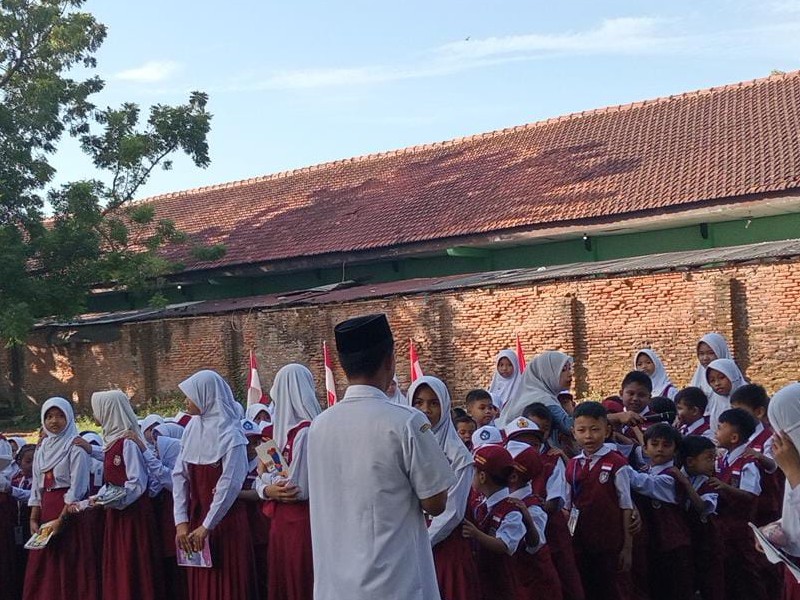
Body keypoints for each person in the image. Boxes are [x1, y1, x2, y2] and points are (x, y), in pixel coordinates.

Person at [307, 313, 454, 600]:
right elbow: (436, 503)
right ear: (390, 360)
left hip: (335, 585)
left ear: (343, 366)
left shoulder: (319, 426)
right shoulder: (407, 422)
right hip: (395, 584)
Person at [172, 370, 257, 600]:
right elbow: (179, 476)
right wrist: (181, 522)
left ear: (206, 395)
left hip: (225, 522)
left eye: (190, 396)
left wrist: (207, 525)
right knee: (203, 584)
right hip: (196, 517)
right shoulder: (191, 428)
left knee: (229, 583)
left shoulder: (231, 435)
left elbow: (229, 485)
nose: (186, 401)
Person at [407, 375, 478, 600]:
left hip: (444, 547)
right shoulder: (406, 445)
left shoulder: (458, 456)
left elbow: (452, 512)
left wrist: (421, 544)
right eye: (418, 403)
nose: (425, 410)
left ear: (445, 406)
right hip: (409, 541)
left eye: (433, 403)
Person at [23, 398, 99, 600]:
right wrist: (33, 517)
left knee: (70, 563)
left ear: (69, 418)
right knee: (45, 568)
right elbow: (37, 486)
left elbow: (78, 487)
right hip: (46, 510)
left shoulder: (75, 447)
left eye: (59, 416)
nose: (54, 421)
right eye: (49, 416)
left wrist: (61, 519)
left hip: (69, 512)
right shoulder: (42, 449)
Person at [255, 363, 320, 600]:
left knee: (300, 579)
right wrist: (266, 488)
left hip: (300, 521)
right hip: (283, 521)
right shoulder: (283, 435)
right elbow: (271, 481)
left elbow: (295, 489)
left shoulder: (305, 433)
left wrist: (264, 478)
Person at [91, 390, 164, 600]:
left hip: (132, 515)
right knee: (119, 563)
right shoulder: (111, 442)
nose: (95, 414)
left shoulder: (128, 443)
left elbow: (137, 483)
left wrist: (113, 500)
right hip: (117, 514)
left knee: (132, 562)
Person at [503, 352, 643, 448]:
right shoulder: (542, 398)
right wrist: (618, 417)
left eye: (569, 369)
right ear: (546, 373)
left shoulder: (541, 395)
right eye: (563, 370)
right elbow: (569, 425)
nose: (570, 374)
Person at [567, 401, 634, 600]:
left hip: (609, 542)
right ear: (573, 433)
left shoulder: (617, 462)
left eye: (595, 429)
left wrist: (627, 547)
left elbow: (626, 505)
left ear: (607, 431)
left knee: (611, 589)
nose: (588, 436)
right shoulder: (572, 464)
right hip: (581, 540)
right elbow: (567, 504)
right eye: (582, 430)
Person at [629, 423, 693, 600]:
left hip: (673, 544)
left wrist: (616, 463)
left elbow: (643, 484)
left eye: (666, 445)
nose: (660, 449)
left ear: (675, 450)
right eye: (654, 444)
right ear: (645, 448)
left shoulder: (671, 476)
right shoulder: (647, 470)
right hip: (654, 543)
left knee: (675, 590)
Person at [711, 408, 767, 600]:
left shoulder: (748, 462)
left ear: (734, 437)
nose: (716, 432)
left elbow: (751, 495)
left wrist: (724, 487)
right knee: (729, 574)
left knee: (747, 574)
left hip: (741, 529)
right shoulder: (723, 458)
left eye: (720, 428)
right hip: (724, 527)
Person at [462, 444, 527, 600]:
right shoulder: (480, 504)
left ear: (482, 477)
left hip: (502, 582)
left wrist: (476, 534)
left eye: (474, 472)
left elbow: (504, 545)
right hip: (482, 579)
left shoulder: (511, 510)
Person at [506, 444, 564, 600]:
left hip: (536, 586)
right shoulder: (503, 499)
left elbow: (535, 545)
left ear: (513, 477)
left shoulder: (532, 508)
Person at [675, 435, 723, 600]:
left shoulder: (709, 482)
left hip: (706, 542)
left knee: (710, 584)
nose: (713, 464)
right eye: (709, 459)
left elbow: (702, 507)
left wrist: (686, 484)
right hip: (683, 541)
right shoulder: (673, 476)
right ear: (690, 462)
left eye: (714, 459)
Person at [766, 382, 800, 599]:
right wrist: (780, 526)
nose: (776, 439)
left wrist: (794, 473)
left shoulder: (793, 463)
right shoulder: (794, 458)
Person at [705, 358, 745, 433]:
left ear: (732, 375)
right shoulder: (714, 402)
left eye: (721, 377)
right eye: (712, 380)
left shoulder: (748, 399)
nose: (717, 383)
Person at [689, 333, 731, 398]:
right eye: (701, 354)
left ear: (721, 351)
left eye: (711, 353)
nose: (705, 358)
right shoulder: (697, 380)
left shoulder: (732, 379)